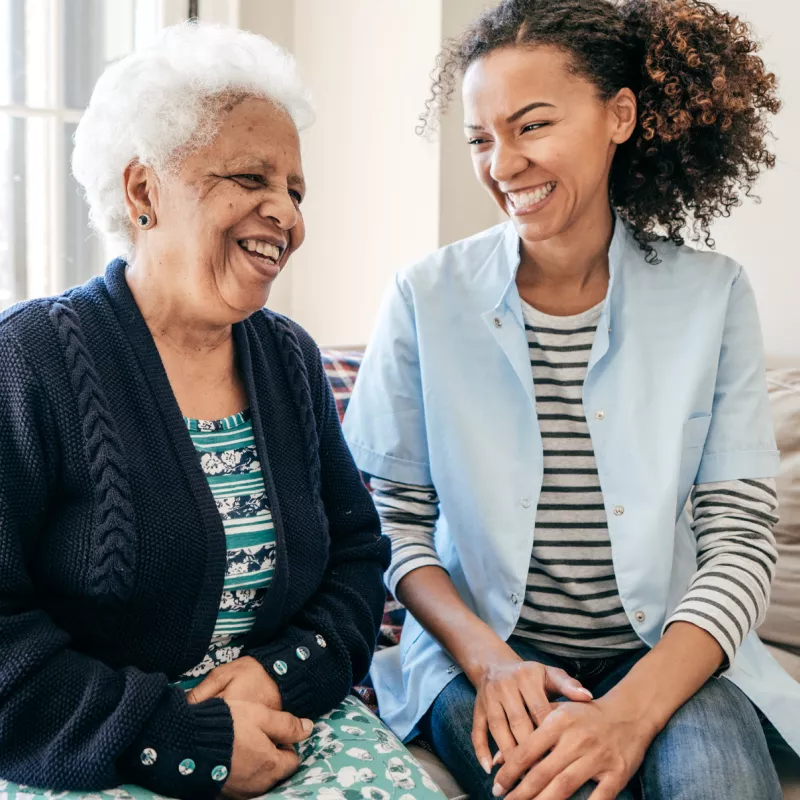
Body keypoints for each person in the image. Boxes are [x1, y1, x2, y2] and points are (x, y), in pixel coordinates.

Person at [342, 1, 800, 798]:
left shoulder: (713, 295)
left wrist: (629, 714)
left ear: (618, 115)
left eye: (532, 125)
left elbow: (739, 542)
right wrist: (489, 662)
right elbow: (390, 521)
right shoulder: (425, 296)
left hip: (666, 655)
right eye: (481, 139)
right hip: (487, 658)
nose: (503, 163)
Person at [0, 22, 446, 800]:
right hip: (94, 750)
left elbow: (354, 559)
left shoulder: (288, 359)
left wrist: (277, 677)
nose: (287, 215)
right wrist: (183, 739)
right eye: (250, 178)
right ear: (144, 191)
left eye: (296, 191)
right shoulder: (29, 359)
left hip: (284, 726)